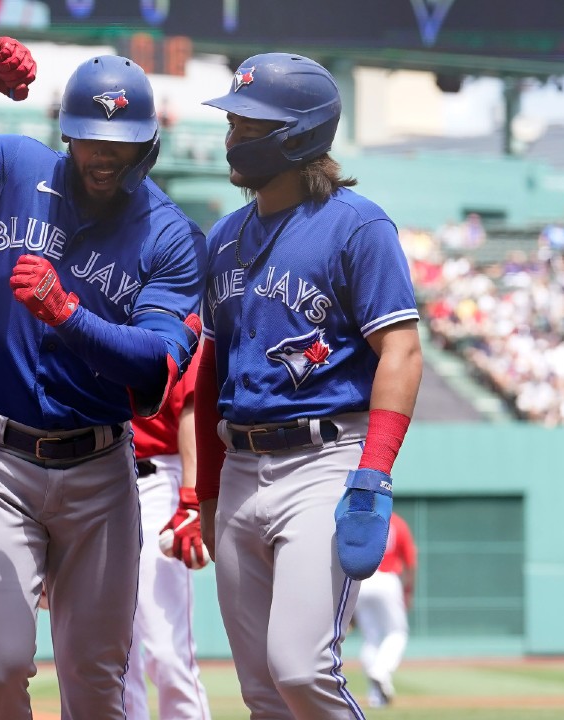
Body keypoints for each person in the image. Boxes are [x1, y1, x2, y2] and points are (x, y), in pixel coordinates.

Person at [0, 38, 205, 718]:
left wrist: (68, 313)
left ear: (147, 145)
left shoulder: (170, 235)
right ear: (67, 135)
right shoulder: (12, 169)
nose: (102, 155)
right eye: (90, 138)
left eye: (118, 142)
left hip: (99, 468)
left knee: (97, 684)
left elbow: (154, 368)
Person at [194, 52, 423, 719]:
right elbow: (213, 369)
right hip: (239, 466)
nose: (232, 136)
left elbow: (402, 353)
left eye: (248, 123)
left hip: (325, 461)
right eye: (234, 120)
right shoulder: (224, 239)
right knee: (263, 694)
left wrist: (372, 475)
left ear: (297, 135)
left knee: (300, 669)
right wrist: (206, 489)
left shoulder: (358, 226)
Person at [126, 356, 211, 720]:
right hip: (96, 477)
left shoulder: (168, 305)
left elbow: (192, 404)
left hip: (158, 478)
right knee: (112, 657)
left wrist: (191, 497)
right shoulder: (92, 309)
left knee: (167, 650)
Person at [354, 511, 417, 708]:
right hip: (387, 578)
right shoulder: (397, 521)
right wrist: (408, 591)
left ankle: (377, 697)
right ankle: (380, 672)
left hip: (361, 579)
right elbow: (411, 562)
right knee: (397, 633)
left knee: (371, 638)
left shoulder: (361, 520)